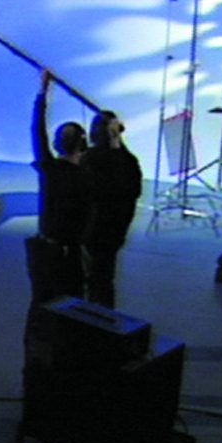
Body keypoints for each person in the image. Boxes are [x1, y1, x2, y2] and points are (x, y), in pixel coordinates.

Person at [26, 69, 93, 305]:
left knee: (42, 304)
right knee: (73, 305)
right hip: (70, 253)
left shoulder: (49, 168)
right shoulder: (88, 176)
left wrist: (43, 92)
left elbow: (37, 130)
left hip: (45, 249)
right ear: (82, 144)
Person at [80, 109, 143, 308]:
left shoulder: (90, 159)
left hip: (93, 231)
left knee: (92, 279)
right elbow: (134, 191)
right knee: (104, 279)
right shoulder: (129, 161)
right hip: (115, 232)